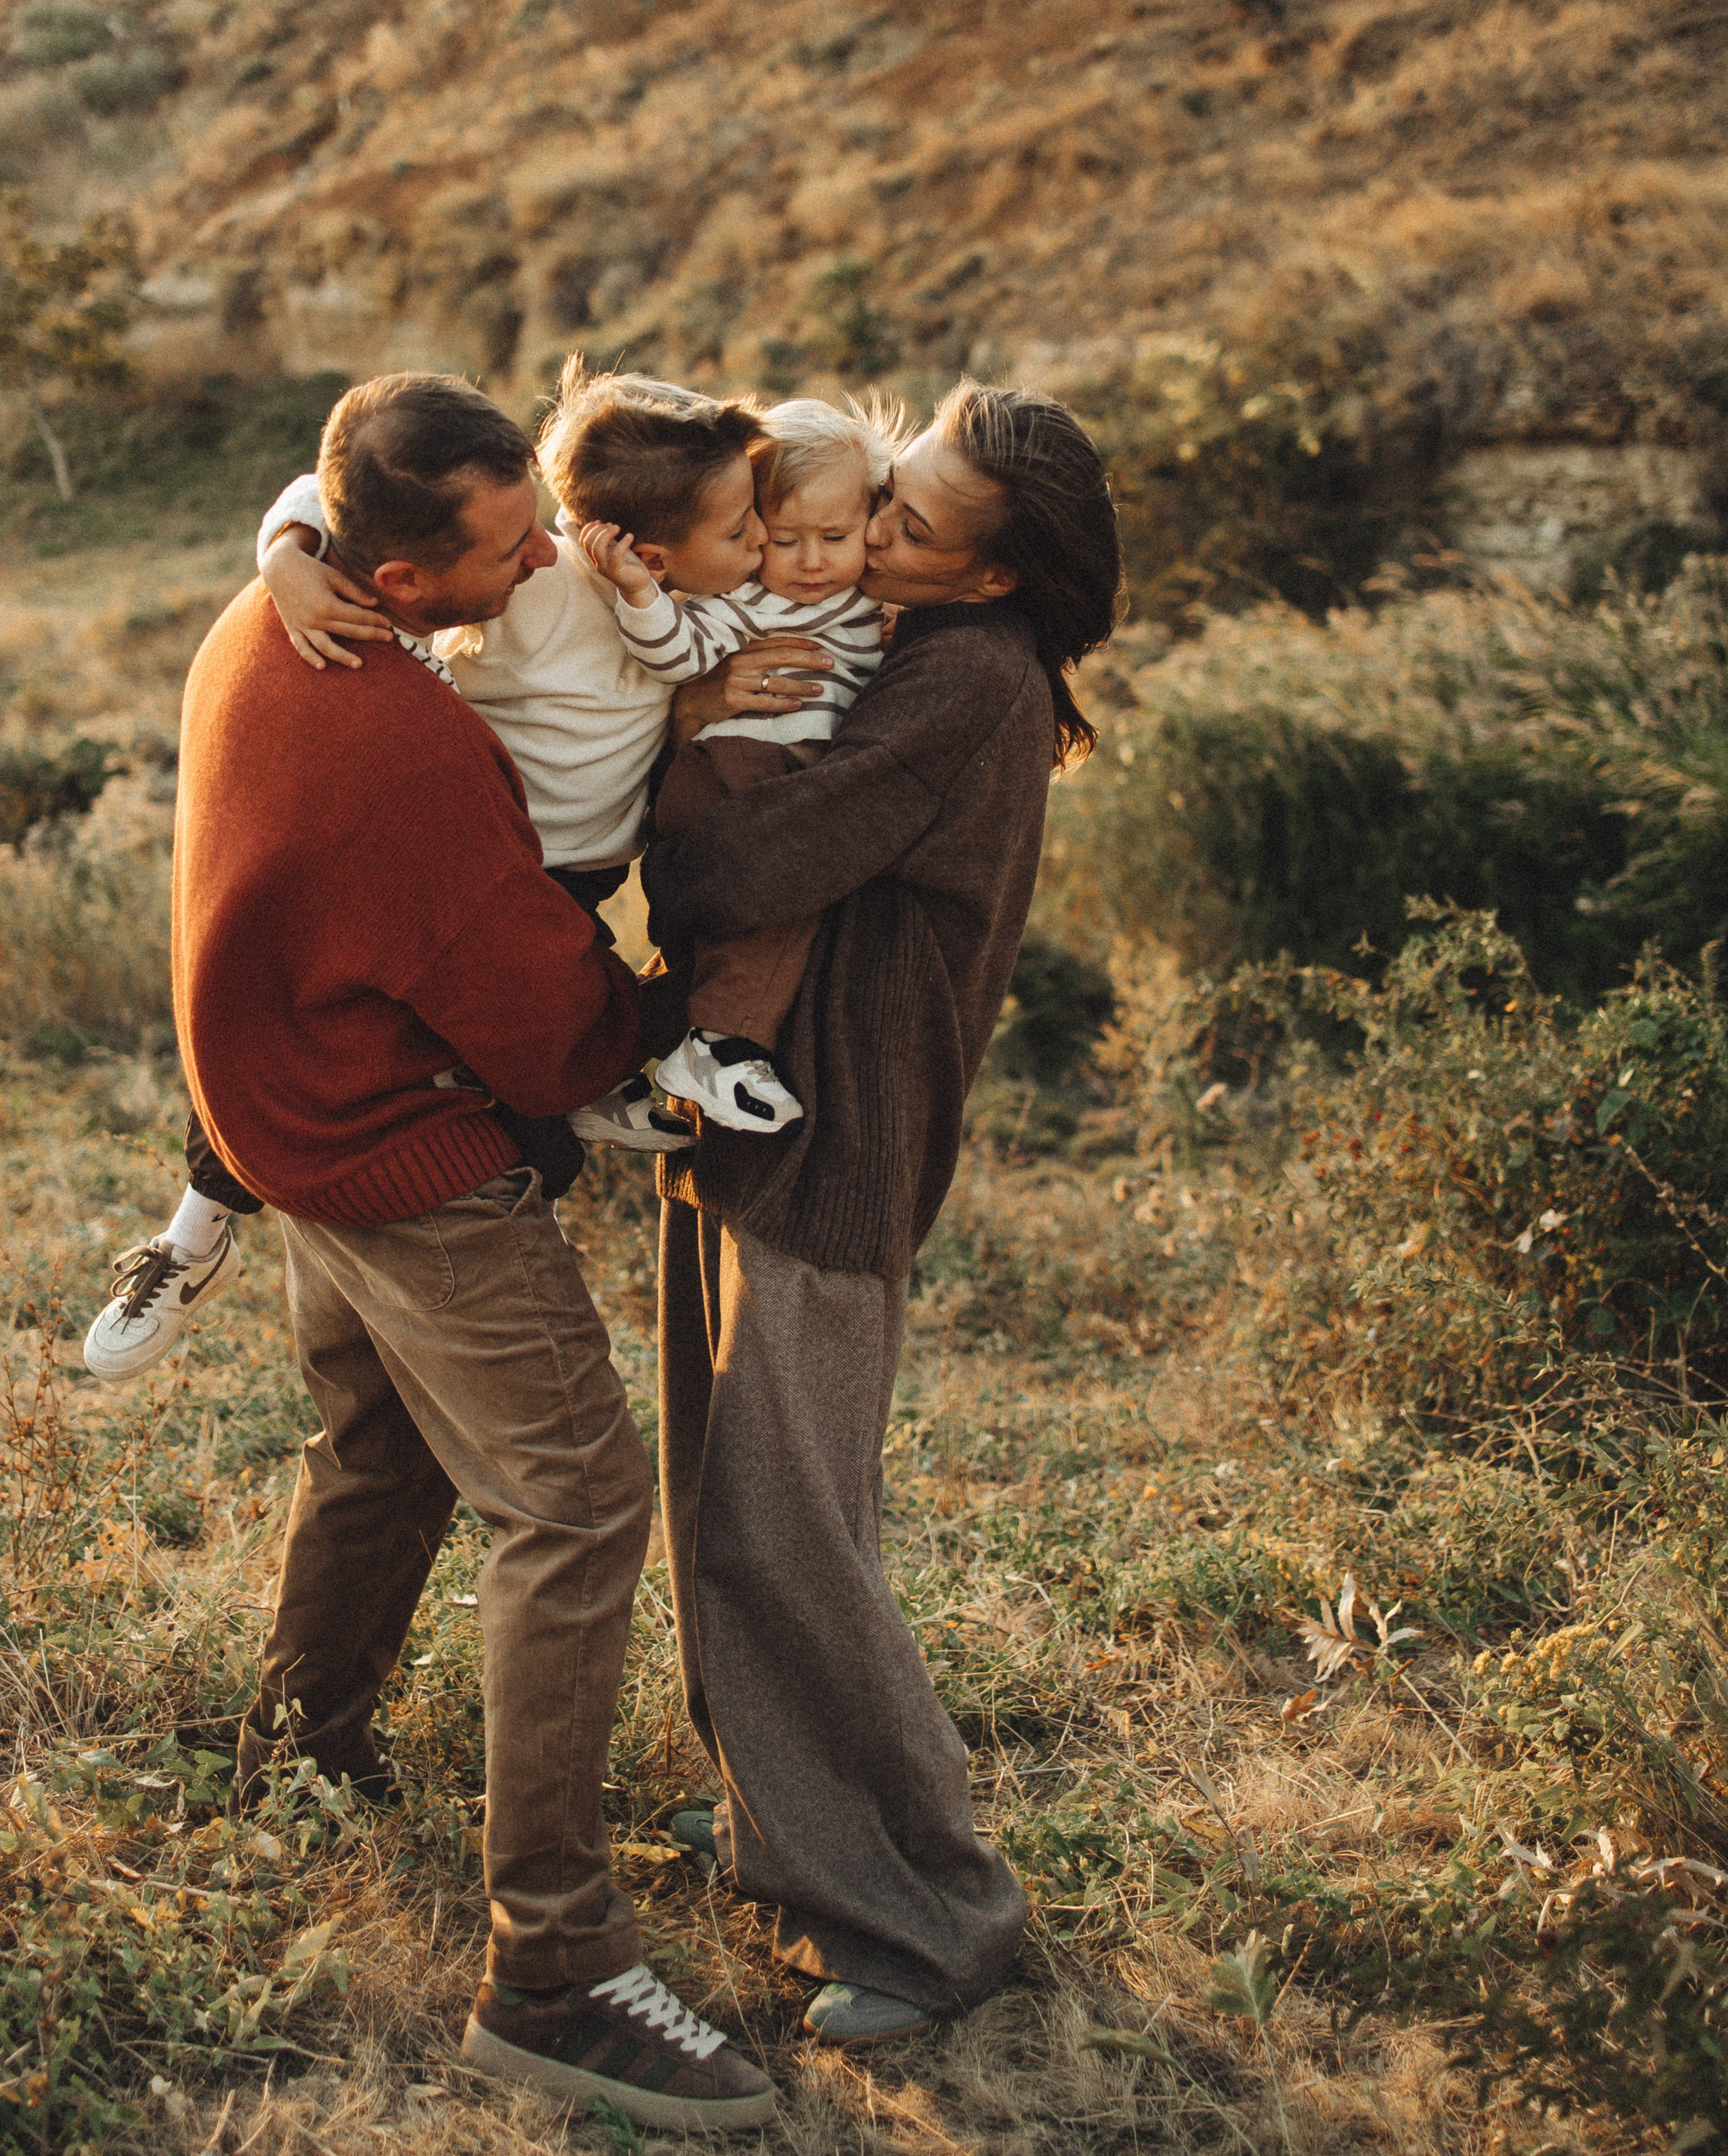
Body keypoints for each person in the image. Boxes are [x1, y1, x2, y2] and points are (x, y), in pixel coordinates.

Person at [168, 370, 773, 2131]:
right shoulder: (412, 745)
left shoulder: (262, 616)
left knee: (378, 1444)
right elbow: (537, 1011)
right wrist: (665, 1028)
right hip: (392, 1146)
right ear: (408, 572)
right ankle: (554, 1966)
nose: (541, 568)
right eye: (508, 552)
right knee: (576, 1496)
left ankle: (302, 1745)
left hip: (283, 1101)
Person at [642, 381, 1123, 2052]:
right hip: (753, 1113)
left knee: (785, 1525)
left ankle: (929, 1918)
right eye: (886, 493)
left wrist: (680, 795)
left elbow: (724, 876)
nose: (861, 533)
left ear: (985, 577)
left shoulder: (963, 681)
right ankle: (785, 1826)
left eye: (906, 524)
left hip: (829, 1134)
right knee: (719, 1492)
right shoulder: (889, 634)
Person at [83, 358, 828, 1386]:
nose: (764, 551)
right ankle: (198, 1225)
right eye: (744, 534)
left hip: (580, 875)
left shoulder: (722, 615)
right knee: (335, 1011)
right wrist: (287, 558)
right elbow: (330, 489)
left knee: (520, 1052)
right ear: (650, 547)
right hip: (483, 855)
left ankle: (580, 1101)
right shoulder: (549, 584)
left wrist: (709, 707)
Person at [580, 395, 899, 1132]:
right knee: (787, 887)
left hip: (784, 768)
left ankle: (640, 1039)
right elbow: (677, 652)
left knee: (745, 923)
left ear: (868, 524)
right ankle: (719, 1044)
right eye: (783, 538)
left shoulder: (866, 599)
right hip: (737, 762)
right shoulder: (748, 600)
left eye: (834, 535)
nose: (811, 561)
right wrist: (637, 593)